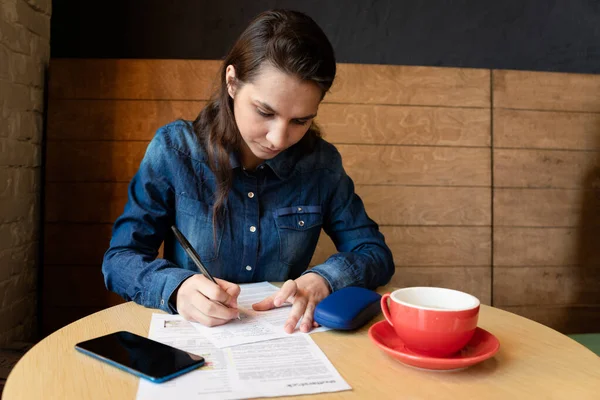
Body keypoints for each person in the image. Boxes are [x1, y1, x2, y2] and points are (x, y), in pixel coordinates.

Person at [102, 9, 394, 334]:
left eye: (301, 120)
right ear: (232, 82)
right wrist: (177, 289)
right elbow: (120, 259)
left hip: (285, 340)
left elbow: (374, 253)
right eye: (264, 111)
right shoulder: (174, 151)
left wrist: (323, 280)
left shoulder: (321, 164)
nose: (279, 138)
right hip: (194, 342)